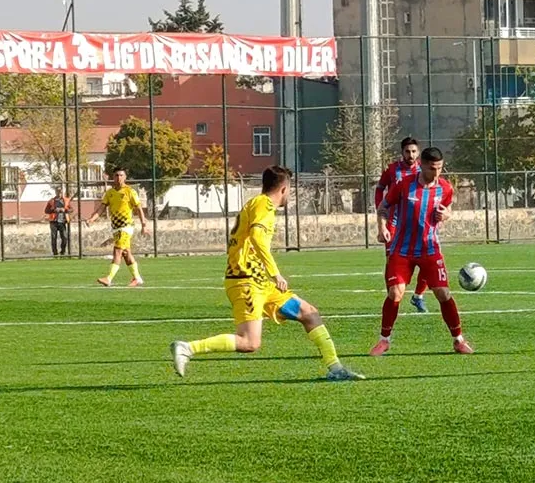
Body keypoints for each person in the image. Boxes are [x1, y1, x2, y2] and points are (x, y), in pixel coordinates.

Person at [170, 166, 364, 381]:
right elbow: (257, 238)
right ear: (283, 189)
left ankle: (335, 368)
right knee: (249, 342)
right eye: (289, 189)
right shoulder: (264, 205)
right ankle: (187, 348)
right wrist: (275, 273)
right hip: (246, 282)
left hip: (260, 282)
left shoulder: (256, 203)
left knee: (308, 313)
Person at [369, 147, 473, 356]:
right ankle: (384, 340)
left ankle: (458, 340)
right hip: (402, 249)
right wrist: (382, 228)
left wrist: (447, 216)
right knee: (395, 292)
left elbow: (447, 209)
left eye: (440, 168)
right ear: (422, 165)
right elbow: (383, 207)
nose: (436, 173)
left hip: (430, 249)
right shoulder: (404, 185)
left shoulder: (445, 187)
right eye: (432, 168)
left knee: (443, 293)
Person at [376, 136, 432, 312]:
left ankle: (418, 296)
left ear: (419, 152)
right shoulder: (392, 170)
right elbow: (380, 188)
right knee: (391, 260)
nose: (411, 154)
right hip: (394, 223)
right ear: (402, 152)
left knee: (428, 260)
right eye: (407, 151)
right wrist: (380, 211)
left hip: (418, 223)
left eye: (414, 151)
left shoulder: (423, 170)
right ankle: (392, 297)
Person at [87, 167, 146, 287]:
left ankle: (108, 278)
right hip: (115, 227)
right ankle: (137, 278)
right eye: (116, 175)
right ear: (113, 177)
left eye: (121, 175)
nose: (118, 178)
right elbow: (102, 208)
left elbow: (138, 208)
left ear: (125, 177)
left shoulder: (130, 191)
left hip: (126, 226)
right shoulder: (109, 193)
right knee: (126, 253)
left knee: (117, 251)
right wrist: (92, 219)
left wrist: (143, 224)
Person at [44, 187, 73, 256]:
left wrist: (65, 210)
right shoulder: (51, 201)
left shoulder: (66, 200)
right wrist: (54, 210)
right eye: (58, 192)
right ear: (55, 192)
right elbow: (46, 211)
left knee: (64, 237)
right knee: (54, 238)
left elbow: (71, 209)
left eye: (60, 192)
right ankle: (55, 253)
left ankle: (62, 251)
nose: (59, 193)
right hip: (53, 221)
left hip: (62, 221)